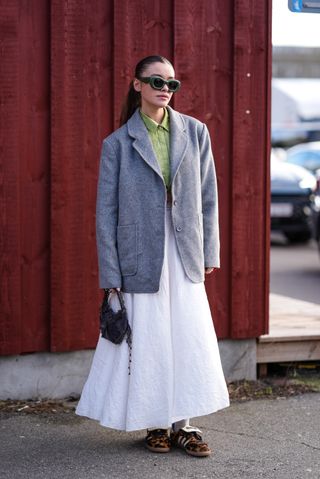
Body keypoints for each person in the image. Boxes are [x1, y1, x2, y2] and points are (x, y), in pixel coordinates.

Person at [75, 55, 230, 457]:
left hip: (185, 250)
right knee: (150, 337)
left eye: (172, 83)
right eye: (157, 81)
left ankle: (187, 424)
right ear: (137, 85)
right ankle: (157, 423)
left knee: (187, 334)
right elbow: (105, 213)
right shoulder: (117, 144)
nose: (165, 88)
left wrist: (209, 248)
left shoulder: (195, 132)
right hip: (139, 255)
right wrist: (110, 270)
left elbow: (208, 198)